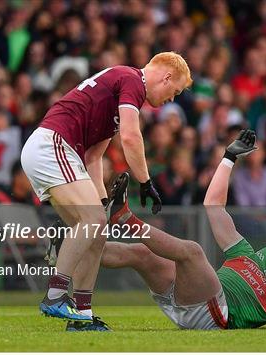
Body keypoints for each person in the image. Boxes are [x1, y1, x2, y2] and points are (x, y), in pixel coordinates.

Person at [20, 52, 192, 330]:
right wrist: (145, 182)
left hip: (58, 151)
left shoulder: (119, 89)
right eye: (174, 91)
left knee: (96, 230)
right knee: (92, 221)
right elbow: (130, 137)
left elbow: (93, 158)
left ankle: (82, 317)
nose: (171, 99)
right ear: (166, 77)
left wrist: (102, 202)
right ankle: (55, 295)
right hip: (52, 146)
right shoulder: (133, 80)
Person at [102, 130, 266, 330]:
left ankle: (126, 219)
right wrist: (229, 158)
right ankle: (84, 247)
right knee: (141, 253)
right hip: (189, 302)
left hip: (215, 316)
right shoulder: (246, 253)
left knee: (193, 251)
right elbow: (213, 205)